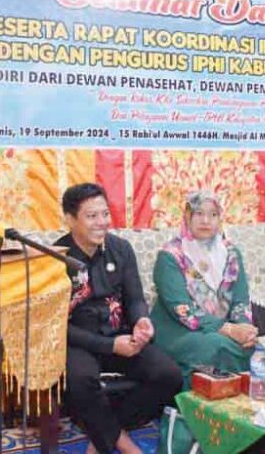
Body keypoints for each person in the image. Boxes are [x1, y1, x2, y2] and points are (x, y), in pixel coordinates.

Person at [54, 183, 182, 454]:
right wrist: (109, 347)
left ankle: (106, 432)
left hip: (120, 335)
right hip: (78, 341)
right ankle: (123, 443)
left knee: (169, 375)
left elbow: (135, 299)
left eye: (105, 214)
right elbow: (56, 327)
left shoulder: (121, 249)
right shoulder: (56, 259)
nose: (101, 223)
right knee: (80, 382)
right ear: (69, 219)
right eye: (91, 216)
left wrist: (141, 321)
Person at [150, 190, 257, 388]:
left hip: (219, 331)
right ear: (187, 217)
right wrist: (231, 330)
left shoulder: (231, 253)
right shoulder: (171, 256)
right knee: (216, 346)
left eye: (213, 214)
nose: (205, 220)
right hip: (177, 332)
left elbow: (240, 300)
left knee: (254, 348)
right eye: (198, 213)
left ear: (220, 220)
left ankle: (241, 407)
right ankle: (197, 411)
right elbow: (183, 310)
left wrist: (245, 329)